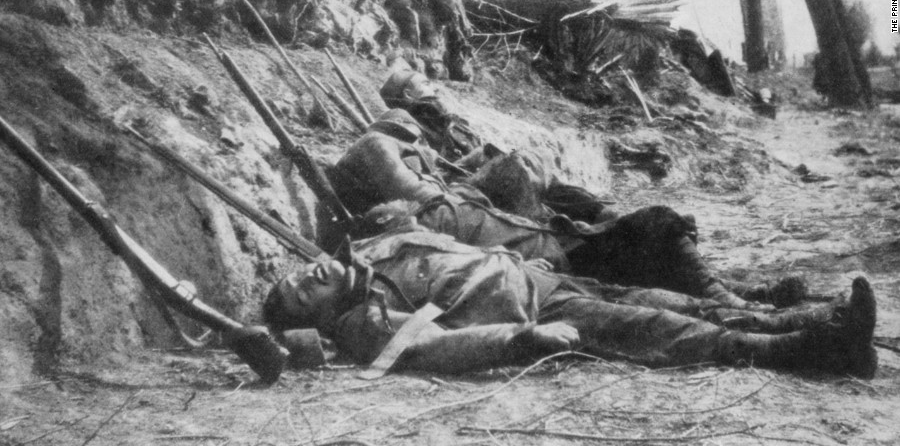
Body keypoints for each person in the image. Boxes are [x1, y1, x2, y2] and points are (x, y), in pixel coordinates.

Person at [328, 109, 805, 309]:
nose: (426, 151)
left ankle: (745, 296)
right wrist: (435, 172)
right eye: (417, 146)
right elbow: (395, 169)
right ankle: (732, 302)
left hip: (551, 246)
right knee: (656, 224)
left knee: (649, 256)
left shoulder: (445, 202)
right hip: (548, 259)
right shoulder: (393, 168)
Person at [262, 225, 877, 378]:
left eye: (297, 273)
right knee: (656, 327)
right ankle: (801, 351)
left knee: (668, 298)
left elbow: (458, 245)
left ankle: (823, 323)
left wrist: (526, 261)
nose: (305, 274)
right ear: (320, 315)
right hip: (537, 314)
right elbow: (434, 348)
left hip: (540, 279)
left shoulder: (378, 246)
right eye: (301, 293)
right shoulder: (364, 323)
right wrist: (518, 340)